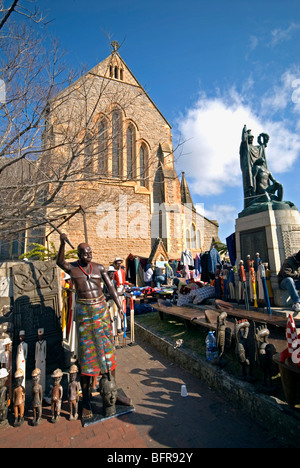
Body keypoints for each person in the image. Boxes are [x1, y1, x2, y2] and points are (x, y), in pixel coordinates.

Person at [56, 234, 123, 420]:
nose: (89, 255)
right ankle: (85, 399)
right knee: (87, 356)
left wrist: (119, 304)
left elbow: (110, 288)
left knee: (108, 352)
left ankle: (113, 390)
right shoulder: (73, 268)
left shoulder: (99, 268)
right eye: (85, 253)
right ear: (79, 254)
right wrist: (62, 243)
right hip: (85, 314)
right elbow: (59, 261)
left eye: (91, 252)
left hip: (101, 311)